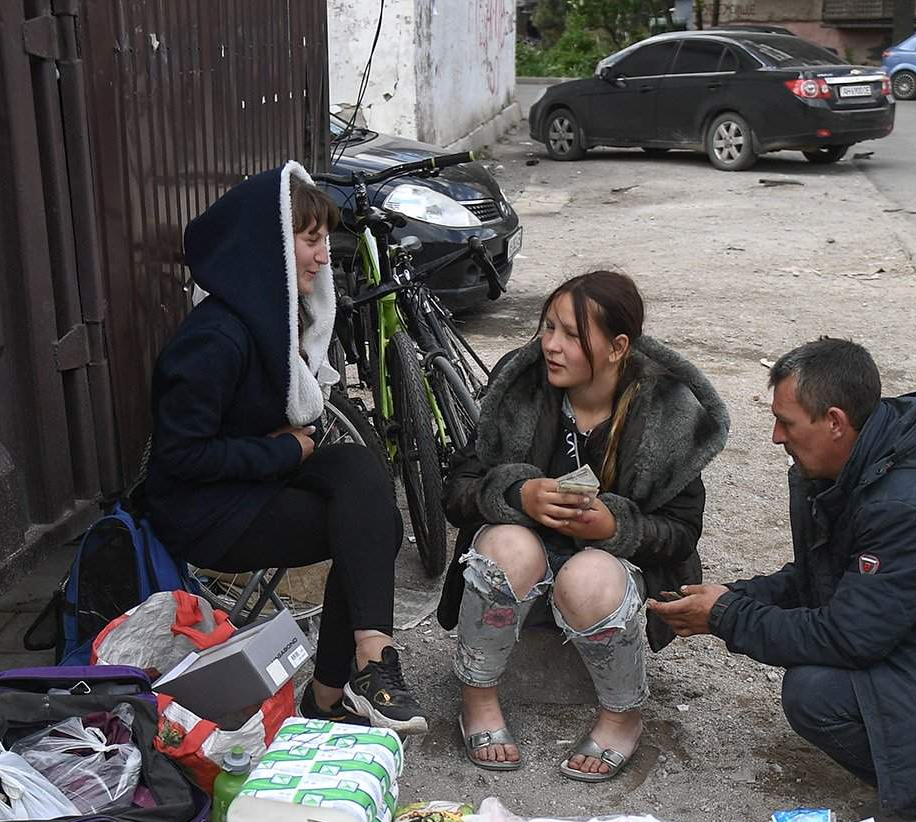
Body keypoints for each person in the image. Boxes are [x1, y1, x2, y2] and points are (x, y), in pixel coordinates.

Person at [649, 337, 916, 822]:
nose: (774, 437)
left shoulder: (907, 504)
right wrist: (733, 593)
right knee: (818, 671)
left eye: (786, 423)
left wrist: (725, 615)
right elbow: (822, 580)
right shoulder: (862, 469)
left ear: (834, 422)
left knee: (815, 692)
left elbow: (850, 637)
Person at [146, 161, 427, 732]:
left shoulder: (270, 322)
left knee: (358, 476)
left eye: (324, 240)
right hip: (204, 514)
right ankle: (337, 691)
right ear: (269, 244)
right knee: (369, 529)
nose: (325, 257)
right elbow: (180, 457)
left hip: (250, 484)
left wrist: (288, 448)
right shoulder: (215, 338)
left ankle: (362, 669)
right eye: (310, 240)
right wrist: (284, 453)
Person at [437, 271, 728, 780]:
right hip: (521, 567)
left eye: (572, 335)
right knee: (507, 544)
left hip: (609, 579)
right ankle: (478, 700)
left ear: (618, 347)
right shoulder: (519, 386)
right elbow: (458, 492)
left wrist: (615, 525)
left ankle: (622, 715)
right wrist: (517, 493)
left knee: (589, 573)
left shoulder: (667, 411)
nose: (551, 345)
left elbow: (681, 532)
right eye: (547, 327)